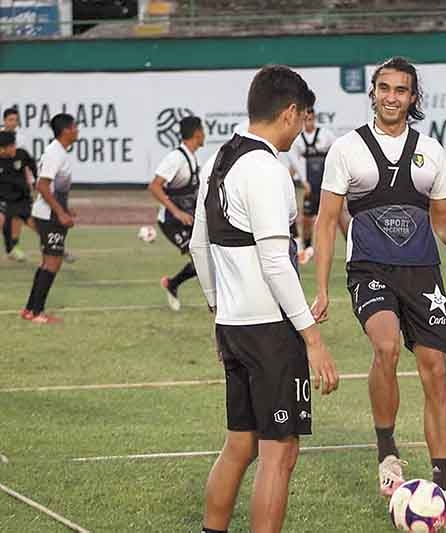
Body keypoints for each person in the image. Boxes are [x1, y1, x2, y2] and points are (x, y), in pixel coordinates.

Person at [312, 56, 446, 528]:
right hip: (369, 268)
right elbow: (324, 223)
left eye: (401, 90)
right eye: (384, 88)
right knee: (386, 346)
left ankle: (442, 486)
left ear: (413, 97)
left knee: (435, 371)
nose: (391, 96)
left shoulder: (433, 152)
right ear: (373, 93)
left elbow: (442, 218)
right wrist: (321, 289)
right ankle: (387, 455)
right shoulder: (347, 149)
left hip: (423, 271)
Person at [190, 65, 339, 533]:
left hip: (234, 325)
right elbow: (277, 263)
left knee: (241, 443)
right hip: (270, 332)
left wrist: (218, 309)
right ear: (290, 113)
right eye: (303, 118)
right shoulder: (266, 168)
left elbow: (198, 244)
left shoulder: (220, 159)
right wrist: (312, 340)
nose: (301, 129)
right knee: (280, 452)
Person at [21, 113, 79, 324]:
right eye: (74, 127)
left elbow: (54, 188)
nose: (77, 130)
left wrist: (65, 208)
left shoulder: (59, 152)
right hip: (49, 216)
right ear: (66, 130)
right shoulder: (56, 153)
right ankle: (37, 312)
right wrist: (61, 213)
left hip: (50, 213)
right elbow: (42, 185)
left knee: (49, 261)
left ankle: (30, 309)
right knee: (53, 261)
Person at [148, 116, 204, 311]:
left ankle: (172, 284)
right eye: (203, 131)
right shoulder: (176, 158)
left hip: (188, 219)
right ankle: (216, 302)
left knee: (205, 258)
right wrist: (177, 212)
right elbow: (155, 187)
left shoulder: (191, 156)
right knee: (201, 257)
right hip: (171, 221)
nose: (204, 134)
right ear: (197, 133)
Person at [286, 108, 338, 264]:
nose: (308, 122)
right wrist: (293, 180)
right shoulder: (298, 140)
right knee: (307, 219)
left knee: (328, 217)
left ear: (314, 119)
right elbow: (294, 163)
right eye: (305, 119)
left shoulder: (326, 135)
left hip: (325, 183)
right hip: (308, 184)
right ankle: (307, 247)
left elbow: (337, 153)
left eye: (311, 119)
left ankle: (327, 248)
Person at [0, 131, 35, 262]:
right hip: (5, 200)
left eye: (14, 145)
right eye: (11, 146)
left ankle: (53, 246)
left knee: (36, 224)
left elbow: (33, 167)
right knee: (3, 219)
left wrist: (36, 182)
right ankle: (11, 250)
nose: (14, 148)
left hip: (23, 198)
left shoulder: (21, 154)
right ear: (2, 149)